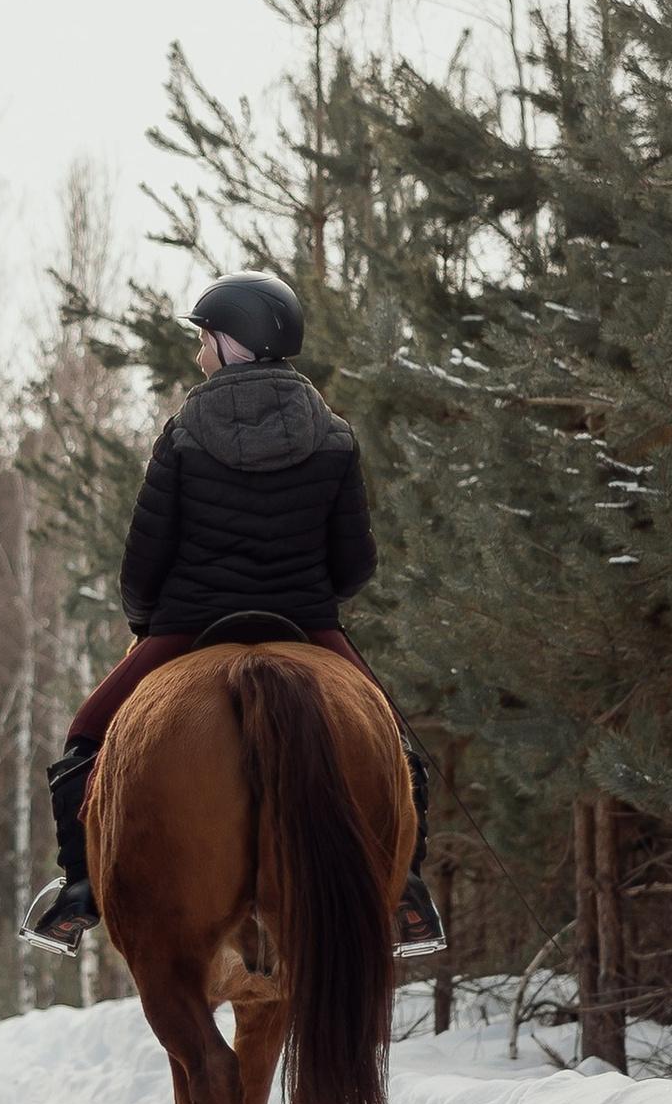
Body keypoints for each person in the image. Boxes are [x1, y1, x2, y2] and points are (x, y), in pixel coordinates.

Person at [23, 270, 446, 961]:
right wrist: (316, 597)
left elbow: (144, 559)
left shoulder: (185, 430)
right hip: (306, 622)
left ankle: (78, 894)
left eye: (204, 338)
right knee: (400, 751)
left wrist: (148, 626)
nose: (198, 354)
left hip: (189, 623)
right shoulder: (335, 435)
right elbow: (355, 566)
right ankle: (406, 893)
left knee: (85, 741)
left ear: (234, 343)